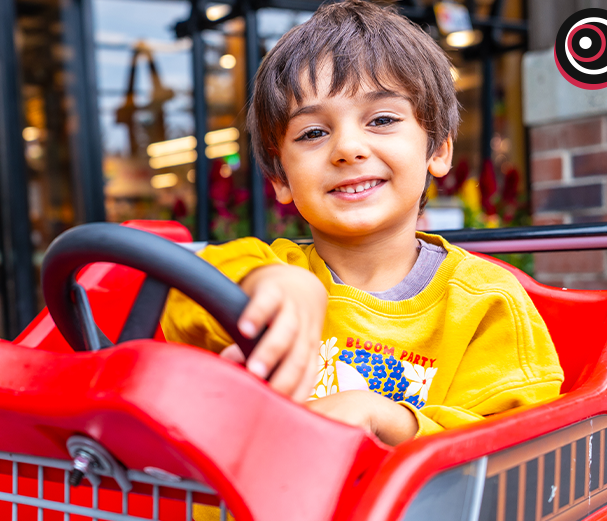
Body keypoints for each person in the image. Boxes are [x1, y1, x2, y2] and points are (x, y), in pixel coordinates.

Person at [161, 0, 562, 446]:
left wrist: (389, 419)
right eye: (313, 132)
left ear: (438, 150)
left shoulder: (485, 303)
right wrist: (262, 282)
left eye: (383, 119)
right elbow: (179, 301)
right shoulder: (276, 270)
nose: (348, 148)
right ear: (280, 177)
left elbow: (520, 444)